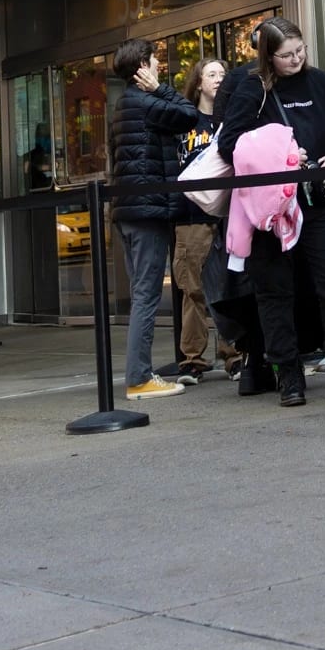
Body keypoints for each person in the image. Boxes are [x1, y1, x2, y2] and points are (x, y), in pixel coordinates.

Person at [215, 17, 325, 404]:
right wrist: (281, 155)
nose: (296, 60)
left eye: (300, 51)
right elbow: (229, 143)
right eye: (286, 55)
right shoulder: (253, 88)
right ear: (269, 55)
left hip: (317, 201)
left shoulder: (321, 82)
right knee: (274, 291)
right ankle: (288, 375)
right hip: (271, 209)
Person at [108, 38, 210, 403]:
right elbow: (189, 116)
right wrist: (163, 90)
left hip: (128, 209)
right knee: (147, 295)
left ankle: (140, 373)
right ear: (142, 69)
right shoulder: (148, 101)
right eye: (154, 62)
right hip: (147, 210)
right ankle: (139, 378)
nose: (159, 67)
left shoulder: (123, 105)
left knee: (141, 294)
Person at [170, 59, 236, 381]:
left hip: (226, 214)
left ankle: (234, 355)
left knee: (227, 287)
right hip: (191, 216)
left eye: (223, 74)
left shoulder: (230, 119)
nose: (218, 79)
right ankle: (193, 360)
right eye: (212, 74)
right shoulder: (184, 120)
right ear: (198, 82)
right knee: (192, 289)